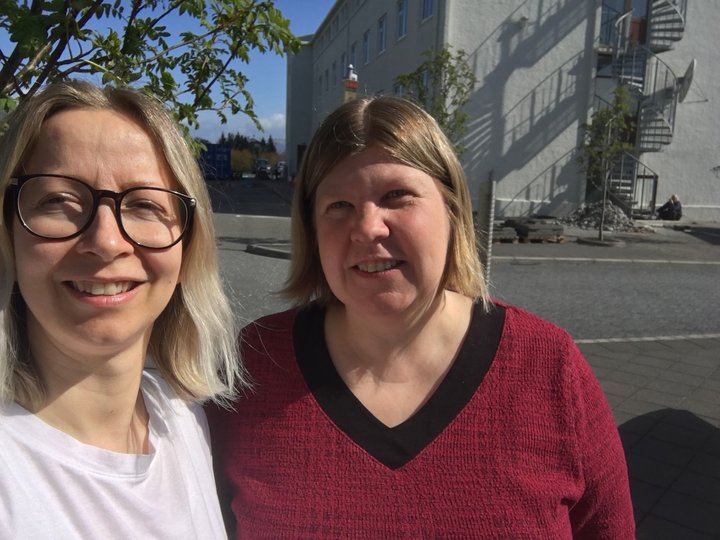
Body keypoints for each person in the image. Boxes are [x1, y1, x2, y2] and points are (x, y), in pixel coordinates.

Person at [207, 96, 635, 538]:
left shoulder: (549, 366)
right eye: (339, 205)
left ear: (453, 212)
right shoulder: (255, 366)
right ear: (312, 230)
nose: (368, 227)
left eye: (396, 196)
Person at [0, 80, 243, 538]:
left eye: (144, 205)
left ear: (189, 248)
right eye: (59, 201)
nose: (106, 241)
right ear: (8, 233)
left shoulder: (182, 419)